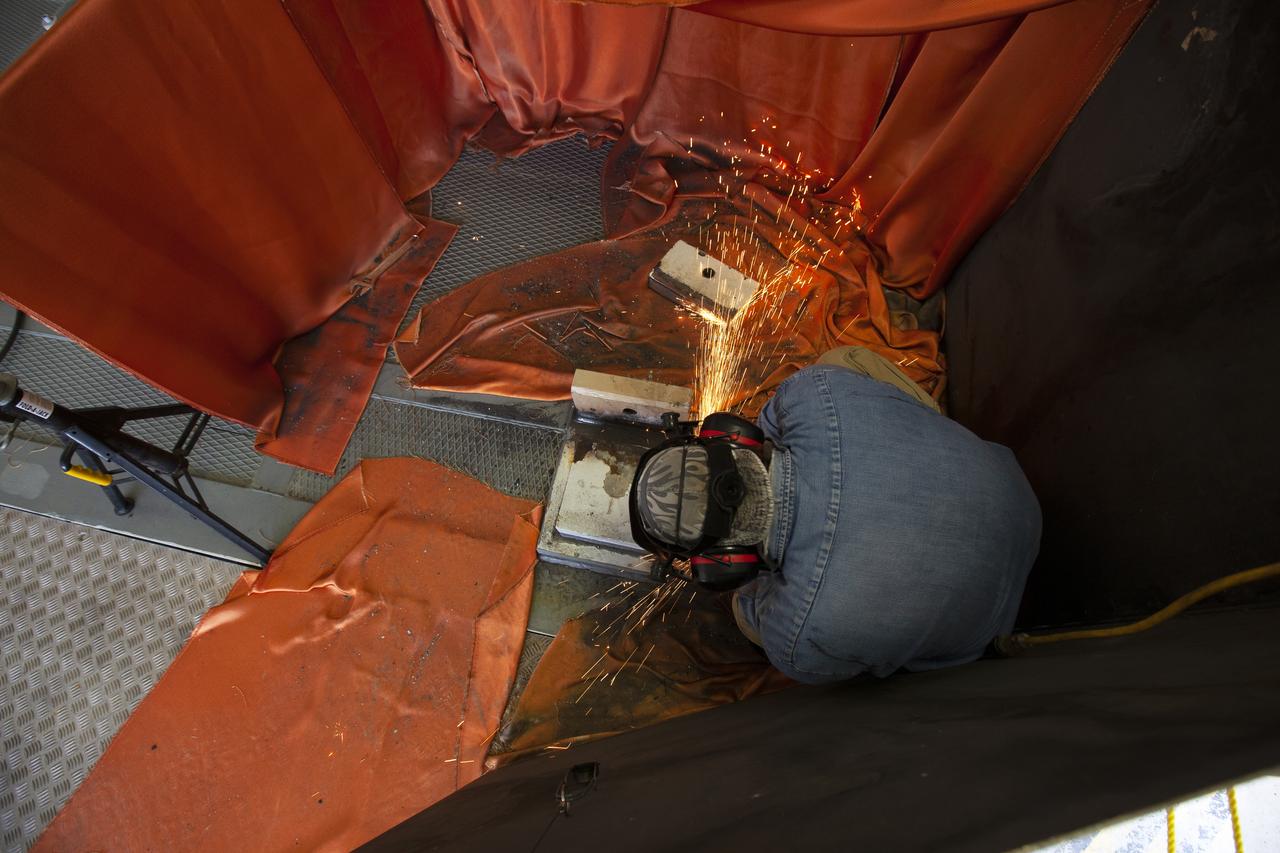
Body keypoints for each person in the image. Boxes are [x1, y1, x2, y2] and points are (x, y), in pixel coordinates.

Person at [630, 346, 1041, 684]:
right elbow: (772, 426)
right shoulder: (814, 392)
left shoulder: (797, 640)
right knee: (842, 361)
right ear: (730, 435)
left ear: (722, 564)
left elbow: (760, 601)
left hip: (998, 622)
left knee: (748, 618)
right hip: (1016, 487)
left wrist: (753, 586)